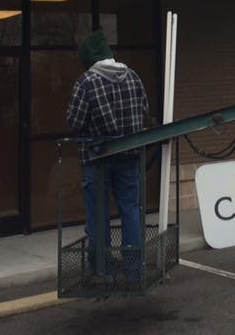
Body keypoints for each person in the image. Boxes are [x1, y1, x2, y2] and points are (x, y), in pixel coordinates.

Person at [66, 30, 149, 282]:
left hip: (97, 159)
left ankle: (103, 269)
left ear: (89, 60)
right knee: (131, 210)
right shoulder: (133, 76)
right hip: (130, 155)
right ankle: (135, 269)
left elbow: (74, 121)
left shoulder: (86, 82)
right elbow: (144, 110)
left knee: (98, 214)